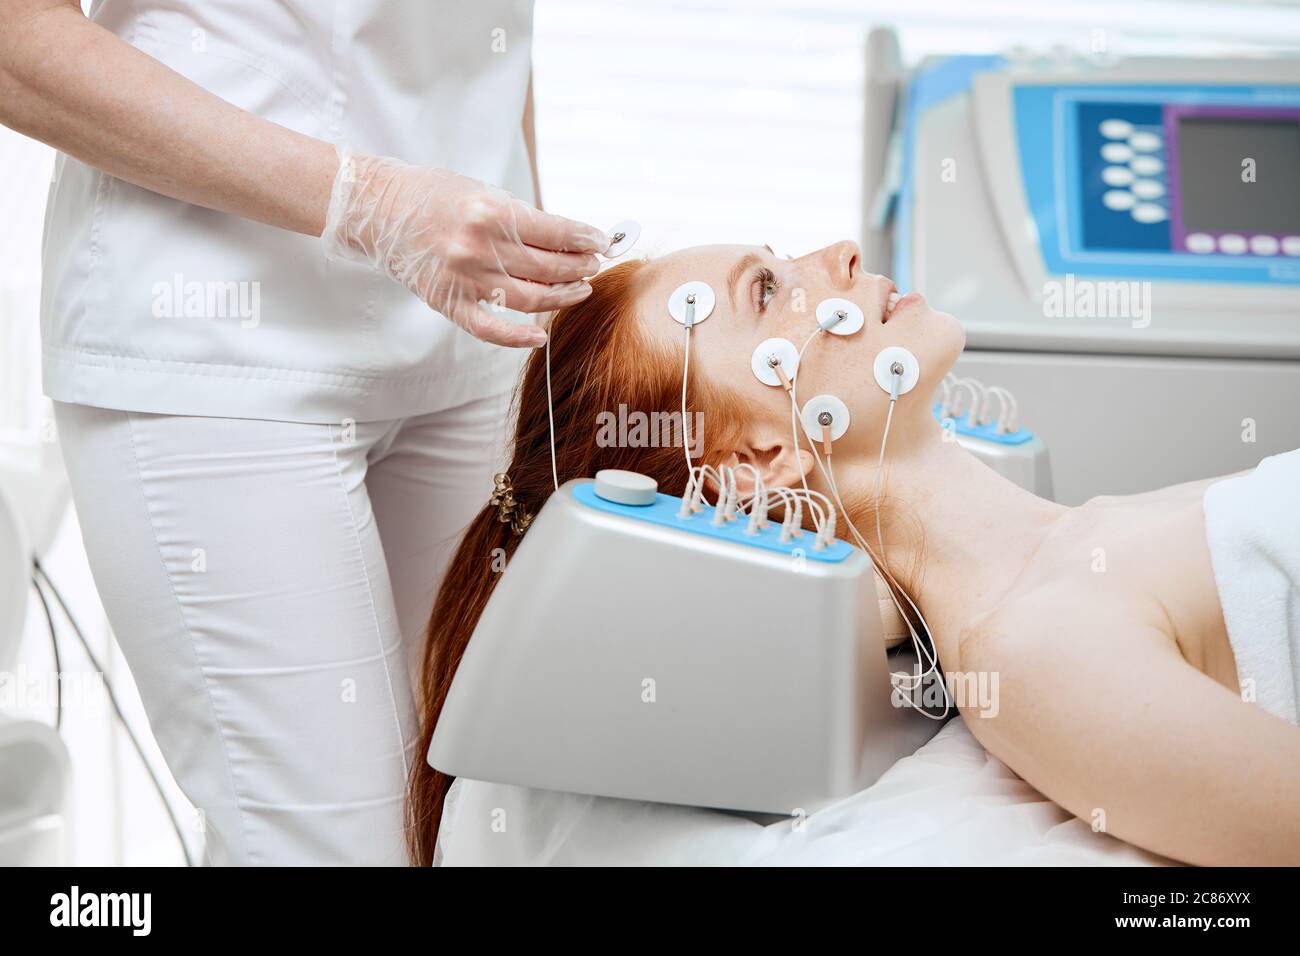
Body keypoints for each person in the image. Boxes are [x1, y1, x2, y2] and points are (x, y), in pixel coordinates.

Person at [409, 243, 1300, 867]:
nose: (837, 254)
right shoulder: (1030, 657)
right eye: (765, 291)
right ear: (757, 459)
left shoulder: (1076, 555)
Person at [0, 0, 607, 864]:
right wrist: (366, 200)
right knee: (336, 847)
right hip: (216, 332)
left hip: (466, 325)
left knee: (484, 831)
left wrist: (534, 281)